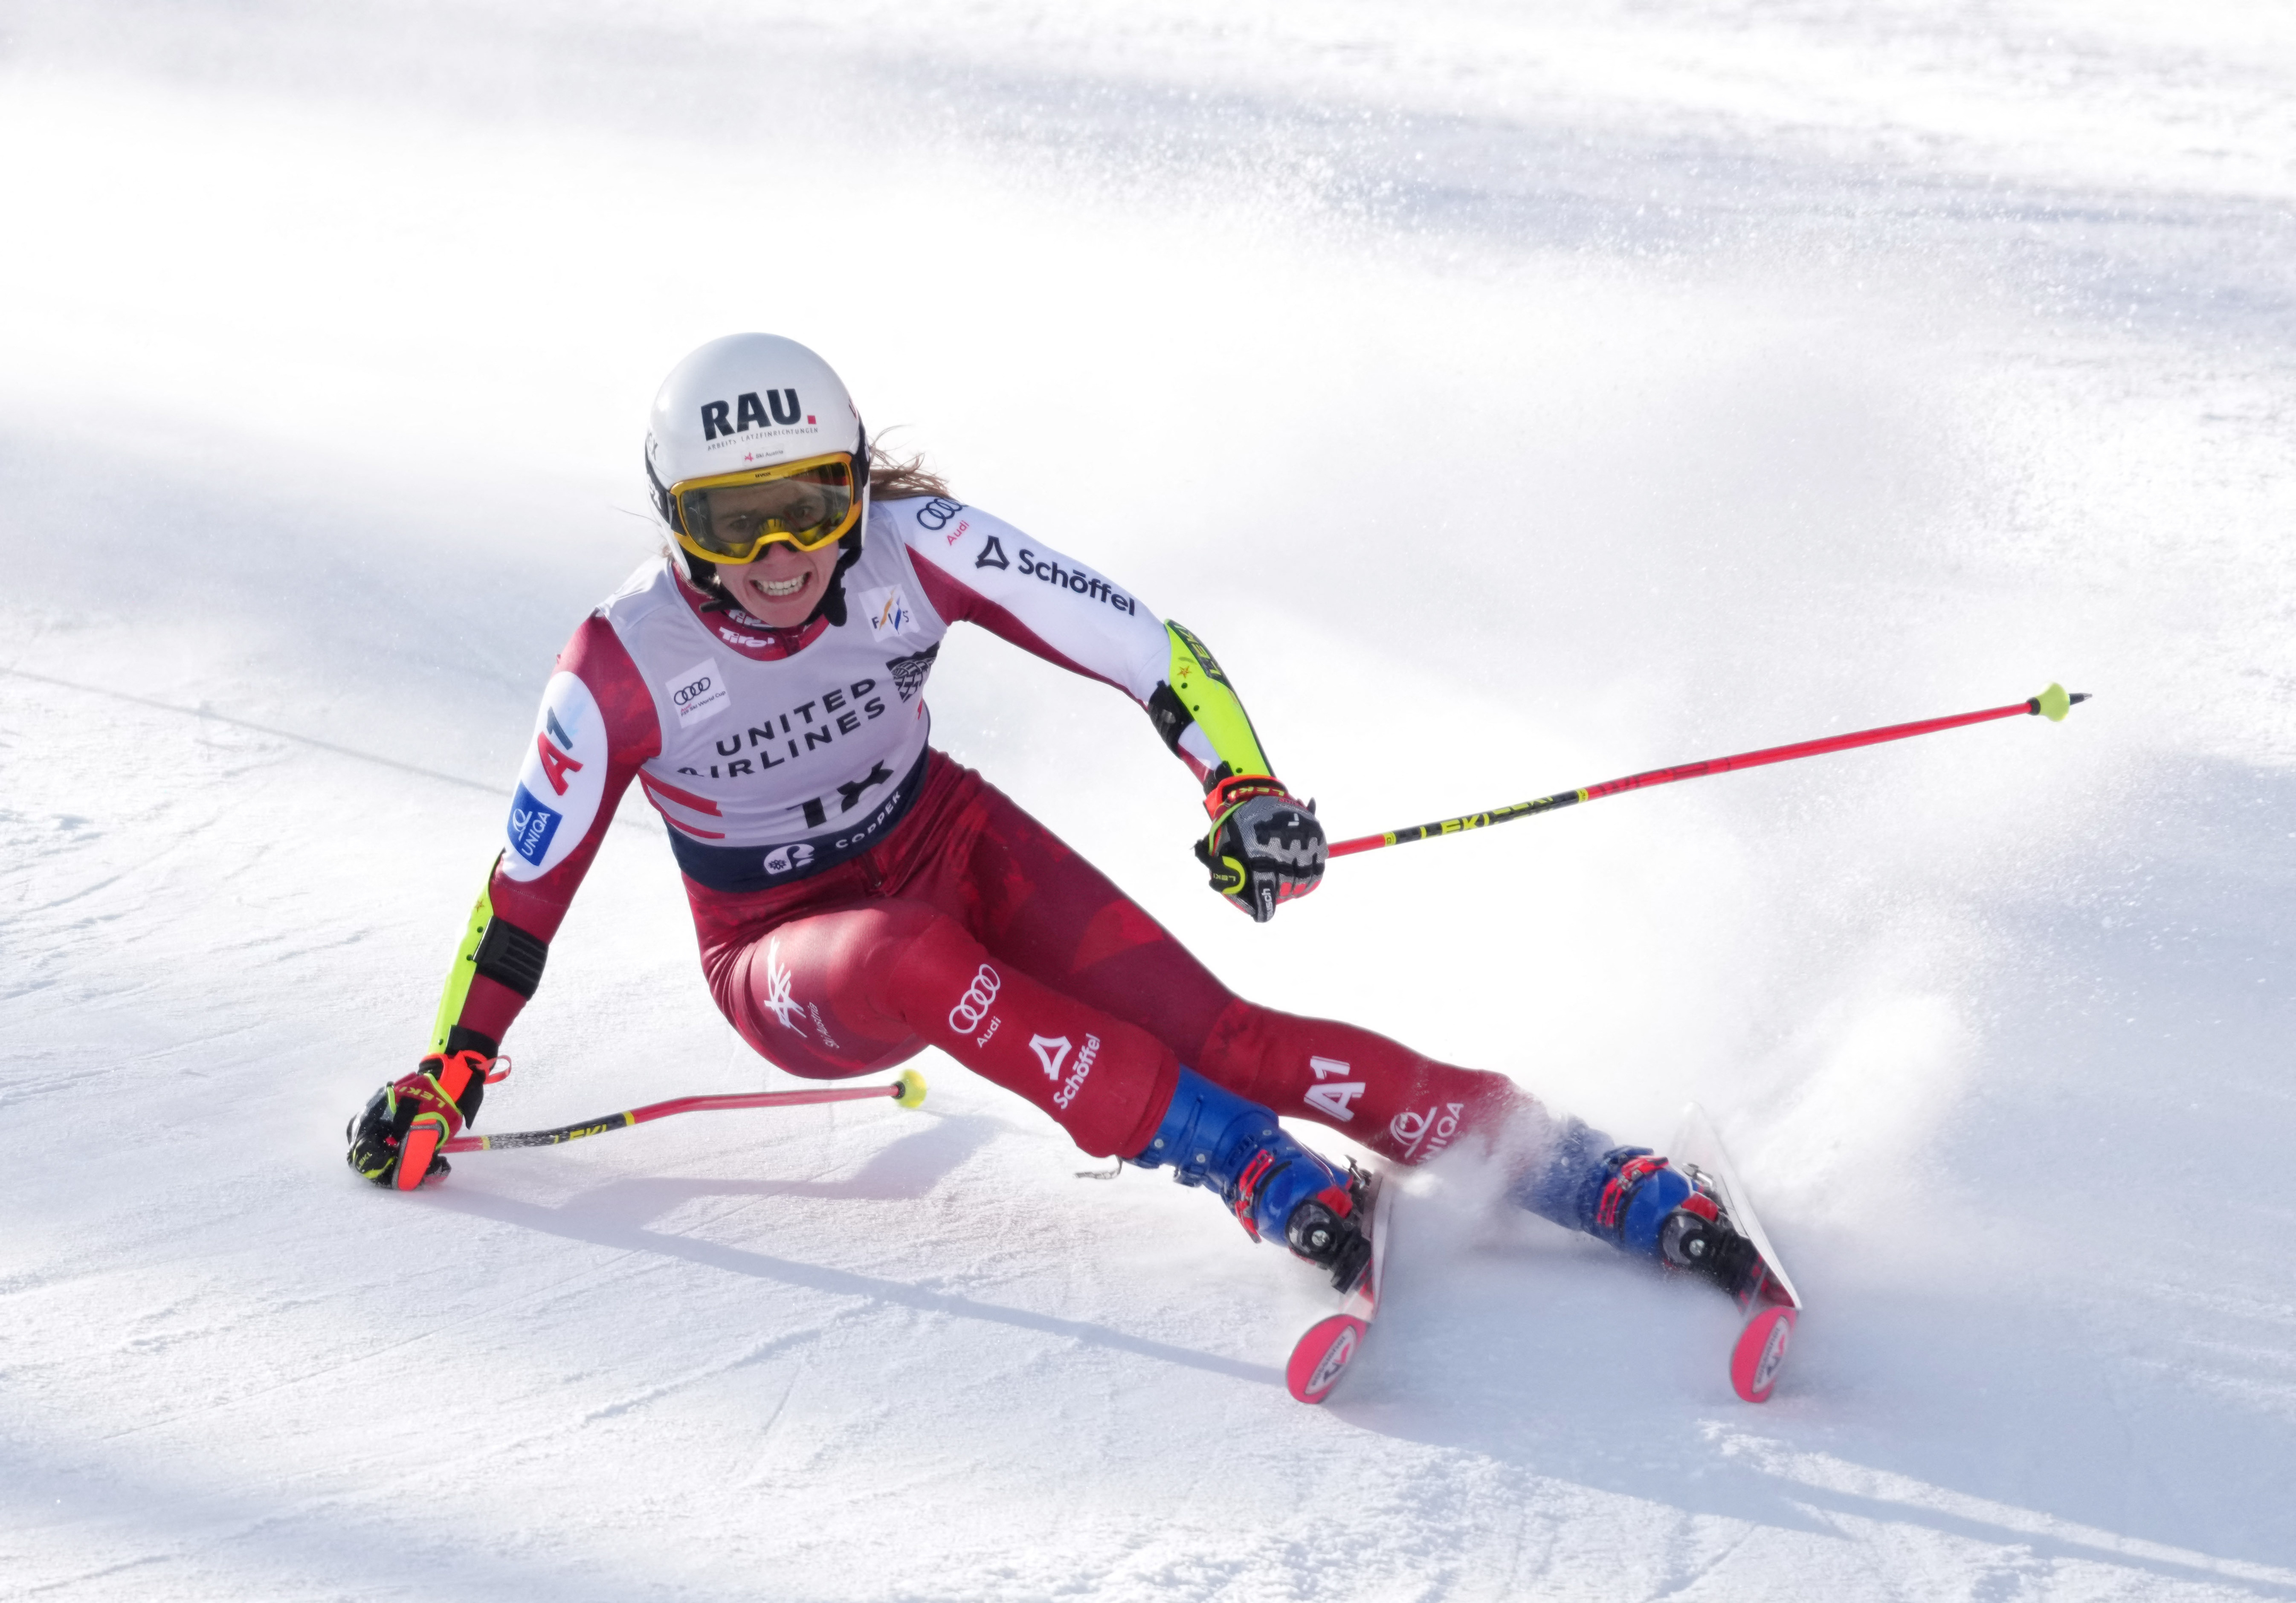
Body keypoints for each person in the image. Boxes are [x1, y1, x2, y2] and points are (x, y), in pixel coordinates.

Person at [345, 333, 1760, 1297]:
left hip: (948, 837)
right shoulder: (617, 668)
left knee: (1233, 1035)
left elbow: (1152, 648)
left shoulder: (919, 547)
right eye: (730, 524)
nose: (779, 555)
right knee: (905, 950)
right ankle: (1242, 1165)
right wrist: (450, 1071)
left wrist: (1240, 784)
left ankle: (1594, 1173)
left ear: (854, 486)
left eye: (809, 505)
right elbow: (524, 891)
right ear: (672, 524)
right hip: (789, 956)